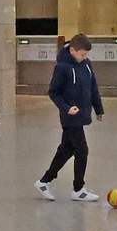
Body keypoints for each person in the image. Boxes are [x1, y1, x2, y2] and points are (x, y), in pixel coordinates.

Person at [35, 34, 105, 203]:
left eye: (86, 55)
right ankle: (78, 189)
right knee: (82, 150)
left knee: (66, 149)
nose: (84, 58)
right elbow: (54, 92)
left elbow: (93, 87)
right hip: (70, 117)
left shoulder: (86, 65)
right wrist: (67, 108)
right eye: (82, 54)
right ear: (72, 50)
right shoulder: (63, 67)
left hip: (82, 114)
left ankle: (44, 181)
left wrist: (98, 108)